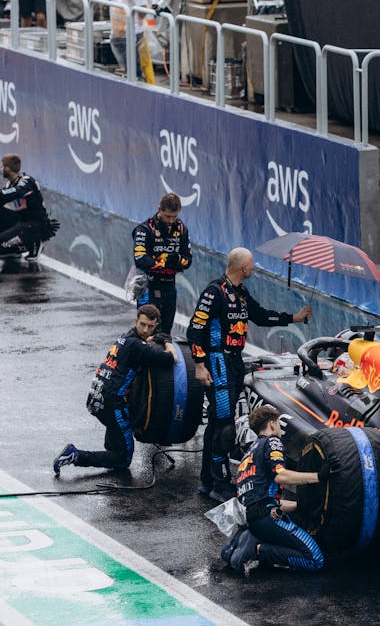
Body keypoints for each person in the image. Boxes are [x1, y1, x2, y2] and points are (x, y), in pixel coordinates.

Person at [187, 247, 312, 501]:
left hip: (234, 361)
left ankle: (207, 480)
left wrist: (296, 318)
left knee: (217, 421)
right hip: (217, 361)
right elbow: (194, 330)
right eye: (251, 265)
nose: (253, 269)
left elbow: (262, 316)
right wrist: (200, 365)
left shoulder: (241, 292)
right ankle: (219, 484)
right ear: (242, 267)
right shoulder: (215, 292)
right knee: (224, 425)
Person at [52, 303, 177, 475]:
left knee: (115, 442)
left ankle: (110, 448)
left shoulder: (125, 338)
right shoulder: (138, 346)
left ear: (155, 325)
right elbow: (171, 358)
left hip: (96, 397)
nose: (145, 330)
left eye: (150, 326)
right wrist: (167, 341)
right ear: (136, 321)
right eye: (142, 324)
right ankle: (75, 455)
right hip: (112, 405)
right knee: (123, 459)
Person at [221, 404, 326, 574]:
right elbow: (280, 475)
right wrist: (318, 477)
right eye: (278, 423)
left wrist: (301, 505)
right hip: (268, 519)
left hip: (254, 520)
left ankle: (251, 538)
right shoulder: (272, 441)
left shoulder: (249, 454)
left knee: (294, 521)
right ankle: (258, 549)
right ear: (271, 424)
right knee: (315, 559)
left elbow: (264, 500)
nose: (280, 429)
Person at [132, 192, 192, 335]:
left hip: (169, 287)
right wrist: (164, 262)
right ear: (159, 209)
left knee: (165, 333)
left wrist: (178, 261)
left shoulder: (182, 230)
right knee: (145, 332)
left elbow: (188, 259)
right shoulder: (144, 229)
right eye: (167, 216)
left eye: (174, 217)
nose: (171, 221)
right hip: (147, 286)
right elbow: (140, 259)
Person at [0, 153, 56, 256]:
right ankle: (14, 247)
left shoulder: (27, 181)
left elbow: (18, 192)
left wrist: (2, 193)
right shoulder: (10, 184)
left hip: (34, 224)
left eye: (2, 166)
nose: (1, 169)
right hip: (21, 220)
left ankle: (35, 242)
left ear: (8, 169)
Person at [109, 0, 152, 77]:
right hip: (120, 32)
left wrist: (136, 24)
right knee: (127, 63)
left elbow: (142, 8)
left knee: (133, 64)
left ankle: (137, 81)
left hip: (132, 32)